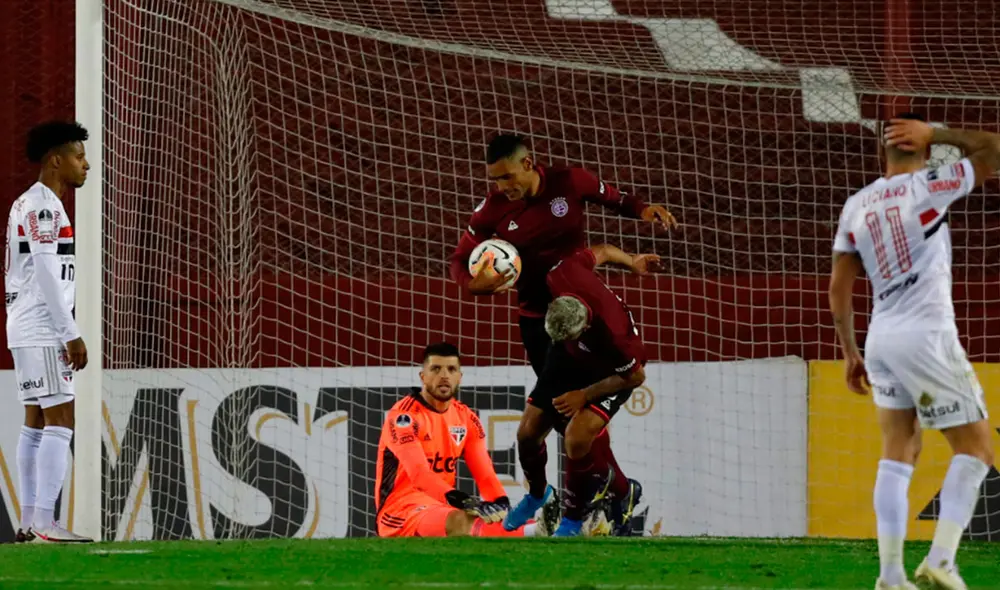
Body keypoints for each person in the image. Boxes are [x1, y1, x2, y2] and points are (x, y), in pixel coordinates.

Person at [449, 133, 676, 534]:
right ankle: (593, 493)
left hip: (581, 317)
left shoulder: (570, 182)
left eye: (507, 177)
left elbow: (615, 198)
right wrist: (473, 285)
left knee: (578, 423)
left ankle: (607, 497)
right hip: (538, 321)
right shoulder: (492, 211)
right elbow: (459, 261)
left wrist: (642, 210)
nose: (503, 187)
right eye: (496, 180)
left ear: (528, 163)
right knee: (558, 419)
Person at [829, 113, 1000, 589]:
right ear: (923, 151)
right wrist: (941, 134)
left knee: (899, 450)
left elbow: (839, 287)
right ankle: (942, 559)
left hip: (879, 336)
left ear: (882, 153)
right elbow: (994, 150)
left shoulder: (857, 204)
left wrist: (849, 351)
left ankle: (890, 575)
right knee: (978, 449)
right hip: (926, 334)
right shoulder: (930, 185)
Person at [507, 244, 658, 537]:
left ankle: (573, 519)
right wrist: (631, 261)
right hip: (566, 357)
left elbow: (635, 377)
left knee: (576, 438)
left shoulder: (615, 337)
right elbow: (602, 251)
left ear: (585, 323)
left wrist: (584, 395)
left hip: (611, 372)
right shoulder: (562, 275)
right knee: (527, 433)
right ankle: (538, 493)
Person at [7, 121, 92, 543]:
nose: (86, 165)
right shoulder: (43, 207)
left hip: (24, 325)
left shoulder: (27, 202)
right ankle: (44, 522)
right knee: (61, 417)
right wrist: (70, 332)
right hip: (42, 326)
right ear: (56, 160)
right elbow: (43, 270)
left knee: (36, 419)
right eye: (79, 157)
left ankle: (27, 521)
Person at [374, 342, 552, 537]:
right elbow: (419, 475)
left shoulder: (466, 417)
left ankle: (546, 528)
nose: (444, 375)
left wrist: (500, 502)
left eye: (451, 369)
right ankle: (537, 530)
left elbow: (485, 475)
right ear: (423, 377)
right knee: (462, 520)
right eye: (436, 369)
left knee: (491, 518)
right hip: (401, 511)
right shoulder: (403, 417)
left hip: (442, 507)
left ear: (459, 377)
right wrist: (462, 500)